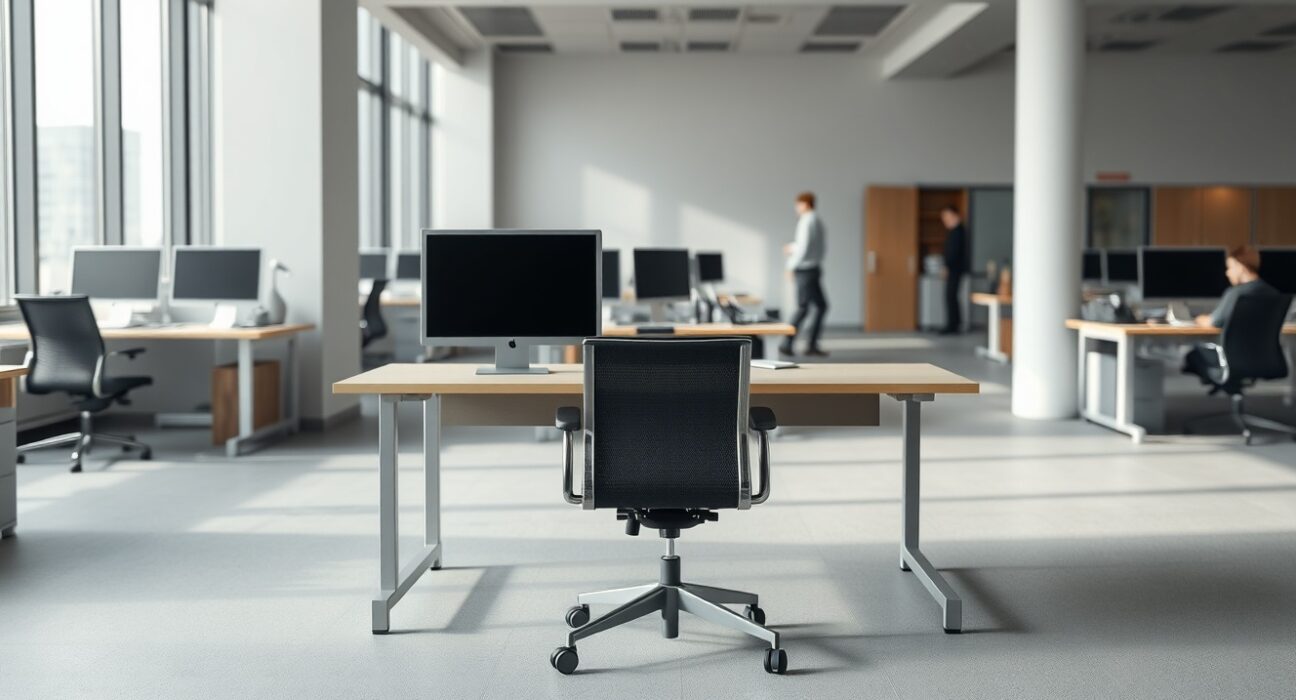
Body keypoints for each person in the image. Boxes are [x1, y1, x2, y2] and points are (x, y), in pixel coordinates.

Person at [1183, 245, 1278, 382]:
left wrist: (1199, 319)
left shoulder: (1235, 294)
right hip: (1264, 359)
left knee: (1193, 354)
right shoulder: (1273, 294)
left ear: (1240, 266)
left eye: (1230, 267)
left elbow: (1214, 322)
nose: (1227, 273)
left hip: (1230, 359)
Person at [780, 192, 828, 357]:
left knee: (803, 307)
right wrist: (795, 247)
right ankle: (809, 344)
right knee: (819, 306)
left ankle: (787, 343)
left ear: (805, 204)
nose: (796, 208)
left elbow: (803, 247)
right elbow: (816, 247)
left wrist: (790, 265)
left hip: (805, 270)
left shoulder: (807, 220)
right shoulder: (817, 220)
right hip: (813, 269)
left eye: (797, 204)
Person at [939, 205, 969, 335]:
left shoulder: (958, 231)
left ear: (955, 215)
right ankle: (953, 324)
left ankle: (953, 326)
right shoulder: (953, 231)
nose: (945, 220)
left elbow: (954, 253)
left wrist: (947, 266)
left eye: (947, 216)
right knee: (951, 297)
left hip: (955, 270)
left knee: (951, 297)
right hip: (953, 269)